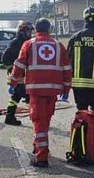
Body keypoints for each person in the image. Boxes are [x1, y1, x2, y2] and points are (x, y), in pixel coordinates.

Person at [10, 18, 71, 168]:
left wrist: (12, 82)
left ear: (36, 29)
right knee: (45, 121)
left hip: (36, 90)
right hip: (53, 91)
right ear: (49, 29)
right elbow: (67, 69)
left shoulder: (29, 44)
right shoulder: (58, 45)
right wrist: (66, 89)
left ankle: (41, 157)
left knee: (38, 122)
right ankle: (38, 146)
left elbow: (19, 65)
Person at [1, 20, 34, 126]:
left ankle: (33, 116)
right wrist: (12, 69)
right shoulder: (17, 42)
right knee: (17, 96)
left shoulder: (27, 42)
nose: (30, 33)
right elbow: (5, 58)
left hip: (25, 76)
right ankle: (9, 117)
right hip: (19, 77)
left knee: (29, 96)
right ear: (22, 32)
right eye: (29, 31)